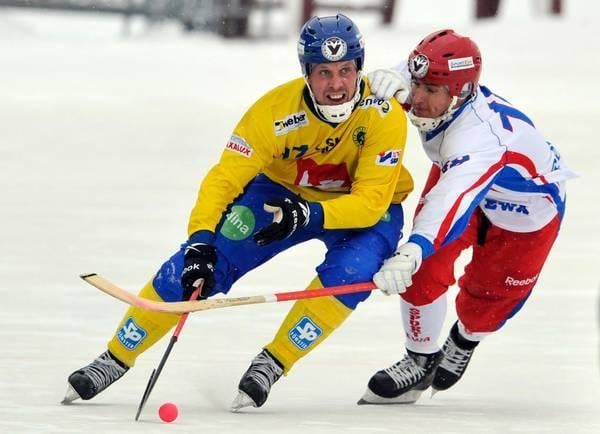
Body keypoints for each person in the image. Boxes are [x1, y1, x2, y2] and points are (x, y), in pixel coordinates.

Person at [63, 14, 414, 411]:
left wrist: (308, 215)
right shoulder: (272, 112)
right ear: (306, 73)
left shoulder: (383, 112)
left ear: (359, 68)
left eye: (346, 71)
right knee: (201, 264)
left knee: (352, 272)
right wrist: (199, 241)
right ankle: (115, 356)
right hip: (278, 195)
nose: (336, 85)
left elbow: (369, 202)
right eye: (324, 73)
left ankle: (274, 360)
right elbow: (224, 180)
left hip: (362, 209)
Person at [359, 29, 576, 404]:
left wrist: (414, 247)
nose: (417, 99)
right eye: (416, 85)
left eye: (430, 91)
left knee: (488, 300)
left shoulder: (479, 139)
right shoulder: (432, 82)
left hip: (525, 209)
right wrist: (383, 77)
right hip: (460, 176)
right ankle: (420, 357)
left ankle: (465, 339)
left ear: (459, 93)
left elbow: (450, 204)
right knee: (422, 271)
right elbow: (408, 75)